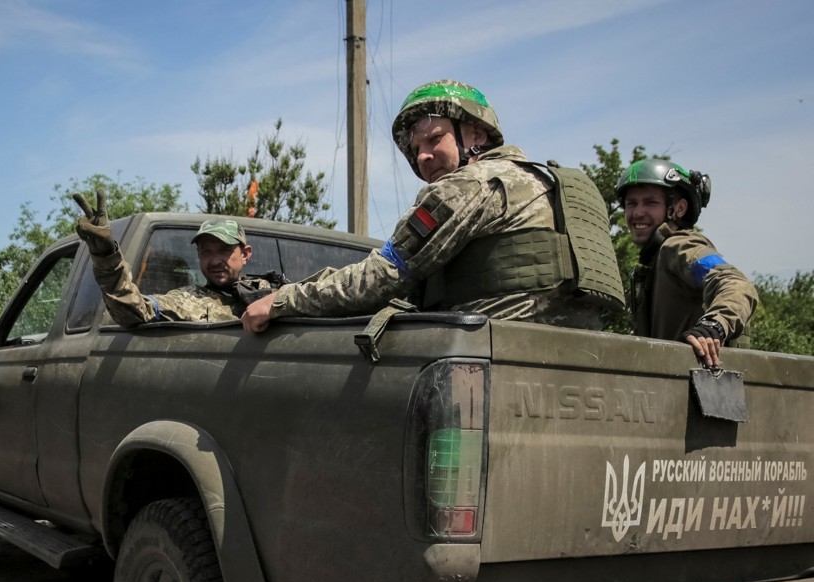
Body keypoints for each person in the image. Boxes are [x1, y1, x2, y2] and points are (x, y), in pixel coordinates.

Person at [241, 79, 624, 334]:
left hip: (495, 363)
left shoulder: (468, 185)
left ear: (476, 133)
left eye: (434, 139)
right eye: (415, 149)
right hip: (580, 359)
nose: (423, 156)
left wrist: (280, 301)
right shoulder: (555, 184)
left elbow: (382, 277)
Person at [616, 159, 757, 368]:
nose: (637, 212)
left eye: (650, 202)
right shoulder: (655, 260)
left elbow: (736, 283)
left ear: (679, 208)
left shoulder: (679, 245)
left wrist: (713, 326)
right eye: (631, 203)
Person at [72, 190, 282, 325]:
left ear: (245, 254)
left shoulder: (273, 293)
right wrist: (106, 256)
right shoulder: (188, 300)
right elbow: (133, 310)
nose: (215, 260)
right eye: (206, 252)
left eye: (225, 250)